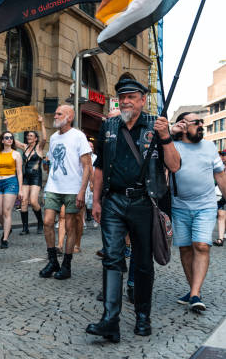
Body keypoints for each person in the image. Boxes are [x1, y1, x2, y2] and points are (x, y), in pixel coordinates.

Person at [86, 79, 180, 343]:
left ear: (142, 100)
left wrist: (166, 137)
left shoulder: (156, 124)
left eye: (131, 97)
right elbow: (101, 166)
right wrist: (96, 201)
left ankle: (142, 317)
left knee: (142, 262)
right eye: (122, 97)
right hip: (113, 201)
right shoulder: (109, 126)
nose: (126, 101)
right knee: (112, 258)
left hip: (144, 202)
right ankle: (110, 321)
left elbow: (174, 166)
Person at [169, 112, 226, 312]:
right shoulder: (172, 146)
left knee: (201, 245)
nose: (201, 125)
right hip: (179, 206)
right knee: (185, 248)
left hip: (205, 205)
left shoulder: (210, 147)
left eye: (202, 122)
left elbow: (220, 175)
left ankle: (194, 293)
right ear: (183, 126)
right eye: (197, 122)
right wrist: (169, 131)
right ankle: (194, 290)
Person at [39, 105, 92, 280]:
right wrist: (47, 165)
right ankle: (53, 260)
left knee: (70, 226)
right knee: (47, 222)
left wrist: (82, 191)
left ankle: (66, 265)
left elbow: (87, 166)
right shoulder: (53, 138)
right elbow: (52, 163)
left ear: (69, 117)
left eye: (59, 113)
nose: (55, 116)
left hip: (72, 188)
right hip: (54, 186)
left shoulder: (79, 136)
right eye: (55, 113)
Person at [0, 131, 23, 249]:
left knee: (6, 211)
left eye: (11, 137)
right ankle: (7, 227)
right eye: (7, 137)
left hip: (11, 183)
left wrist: (20, 189)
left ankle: (5, 239)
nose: (9, 139)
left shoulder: (16, 154)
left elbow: (19, 173)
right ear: (2, 140)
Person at [19, 118, 47, 234]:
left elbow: (44, 138)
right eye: (28, 136)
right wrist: (9, 126)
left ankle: (40, 222)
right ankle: (25, 228)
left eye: (31, 136)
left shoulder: (39, 148)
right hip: (26, 177)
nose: (29, 137)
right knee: (24, 201)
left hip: (36, 177)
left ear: (35, 138)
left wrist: (42, 123)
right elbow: (12, 141)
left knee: (34, 201)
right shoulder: (24, 147)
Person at [214, 150, 226, 247]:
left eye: (224, 155)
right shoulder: (220, 167)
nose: (222, 157)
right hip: (222, 194)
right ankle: (220, 238)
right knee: (221, 214)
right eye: (221, 155)